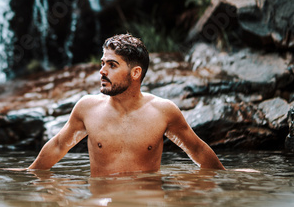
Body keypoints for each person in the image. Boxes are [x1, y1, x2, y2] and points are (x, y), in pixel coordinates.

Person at [28, 33, 225, 176]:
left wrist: (228, 180)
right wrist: (28, 175)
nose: (102, 71)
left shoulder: (163, 111)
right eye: (102, 63)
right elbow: (58, 145)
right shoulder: (87, 108)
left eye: (112, 65)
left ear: (136, 73)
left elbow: (198, 151)